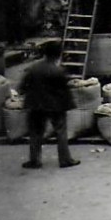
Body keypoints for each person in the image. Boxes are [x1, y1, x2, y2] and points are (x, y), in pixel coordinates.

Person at [17, 40, 81, 169]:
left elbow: (23, 87)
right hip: (55, 106)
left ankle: (34, 161)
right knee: (61, 132)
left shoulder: (33, 69)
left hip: (35, 105)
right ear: (58, 55)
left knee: (35, 133)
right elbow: (65, 91)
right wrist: (69, 105)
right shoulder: (59, 71)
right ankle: (65, 160)